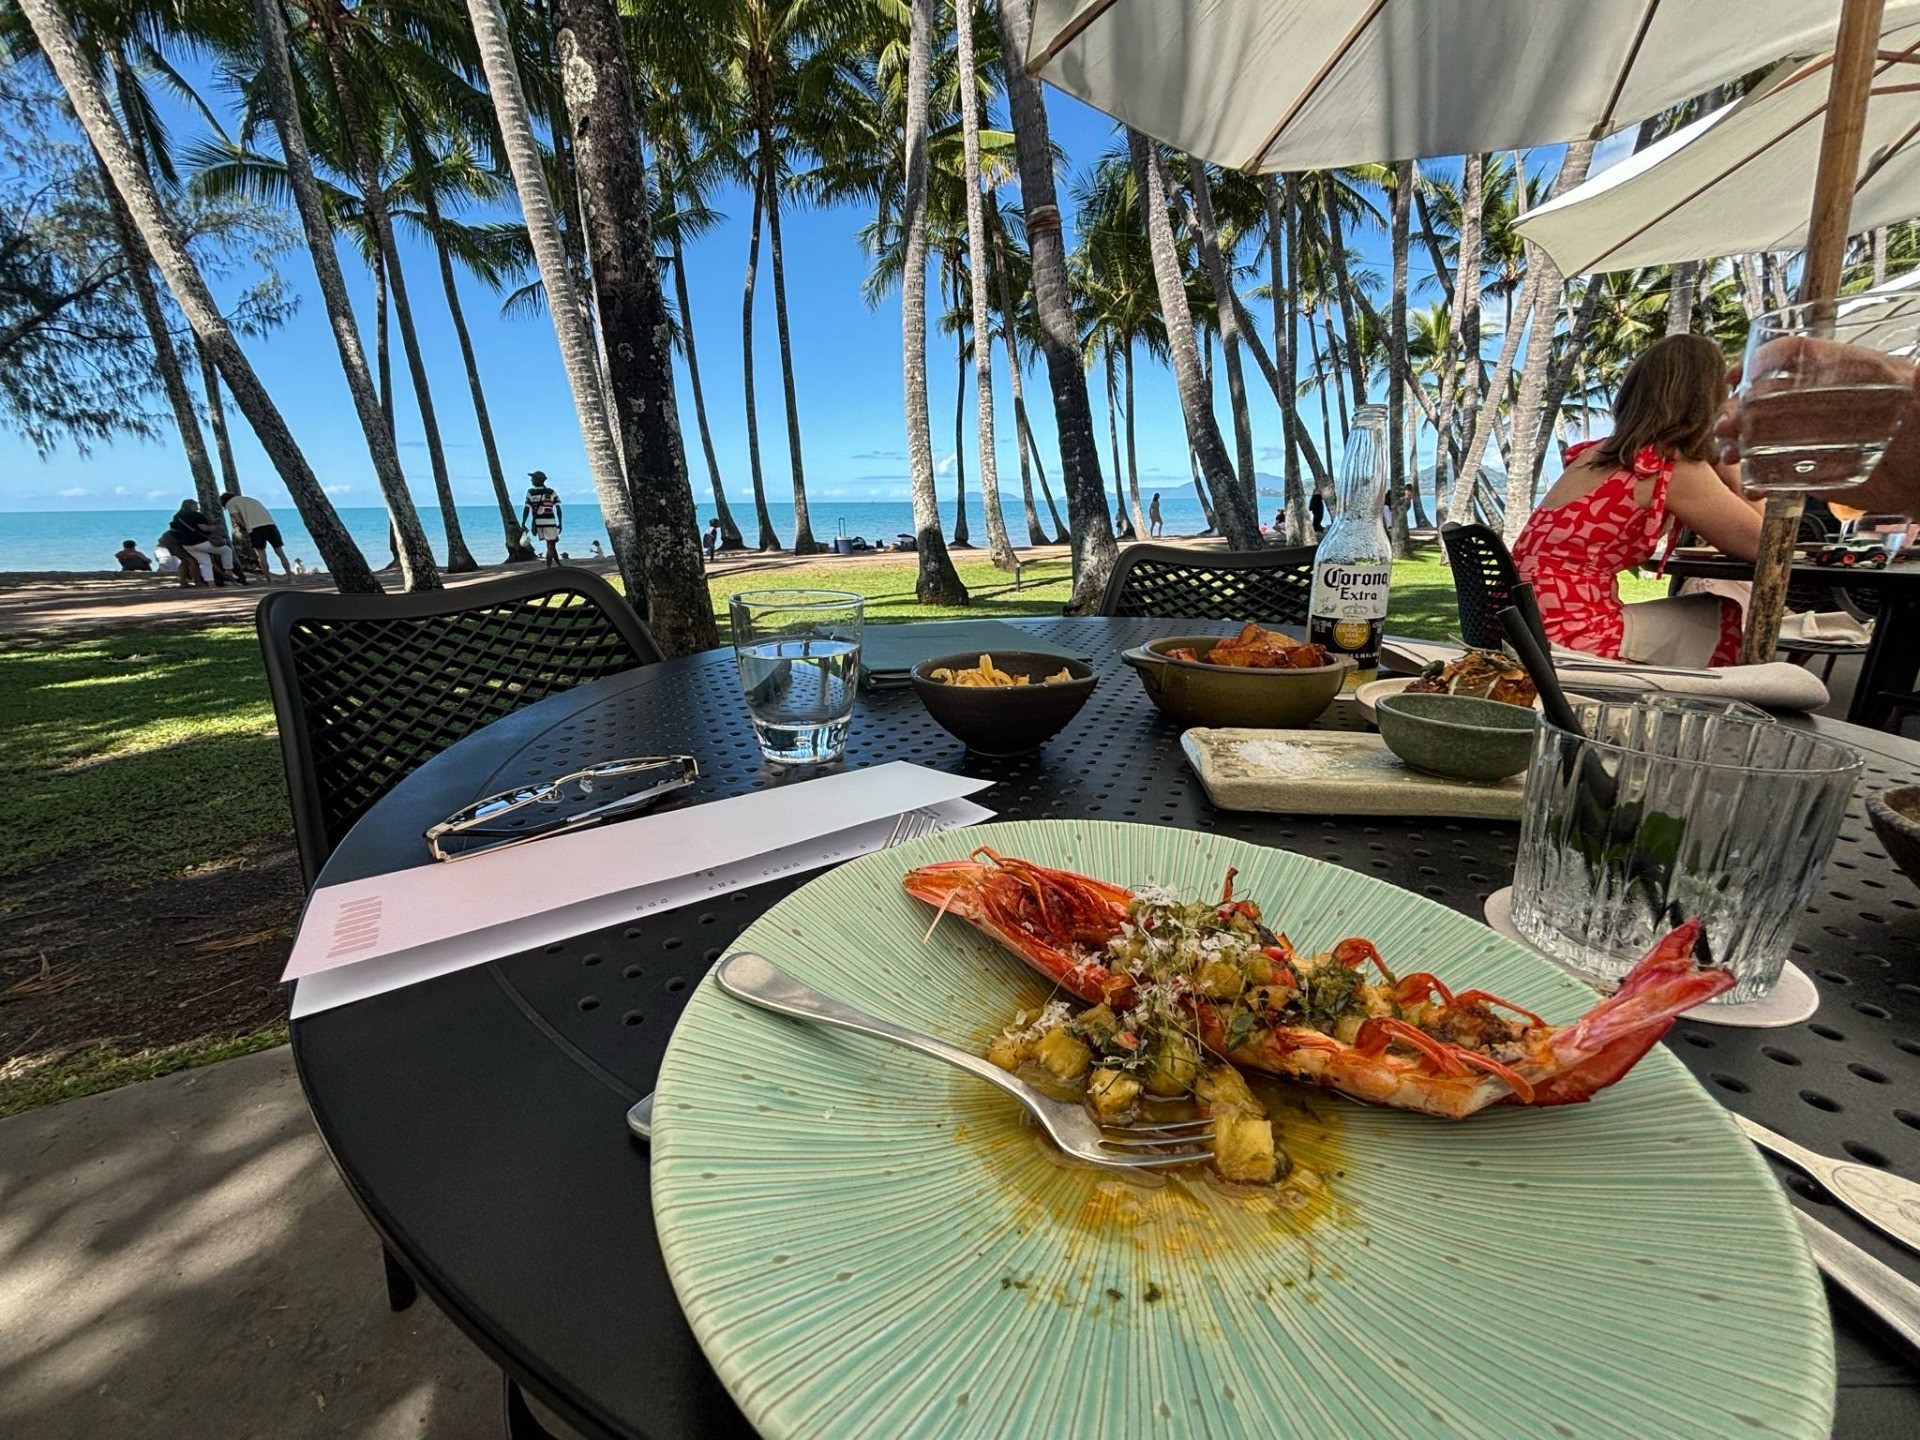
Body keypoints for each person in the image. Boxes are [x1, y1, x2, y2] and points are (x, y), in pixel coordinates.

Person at [1512, 333, 1761, 668]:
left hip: (1525, 622)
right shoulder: (1667, 465)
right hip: (1567, 634)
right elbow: (1765, 546)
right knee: (1722, 615)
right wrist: (1733, 462)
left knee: (1701, 614)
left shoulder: (1596, 454)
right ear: (1707, 402)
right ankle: (1704, 710)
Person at [164, 499, 242, 586]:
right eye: (196, 505)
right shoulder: (196, 515)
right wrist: (215, 527)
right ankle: (228, 570)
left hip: (186, 545)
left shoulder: (177, 516)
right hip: (200, 542)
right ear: (191, 506)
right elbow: (203, 528)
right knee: (226, 550)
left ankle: (211, 584)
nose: (197, 507)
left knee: (205, 563)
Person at [220, 491, 291, 579]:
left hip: (254, 529)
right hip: (270, 525)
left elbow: (237, 519)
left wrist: (244, 528)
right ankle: (290, 576)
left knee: (262, 556)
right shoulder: (251, 499)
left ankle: (268, 580)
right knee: (280, 553)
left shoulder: (230, 503)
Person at [522, 470, 563, 567]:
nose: (531, 480)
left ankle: (558, 563)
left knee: (551, 544)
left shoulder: (530, 492)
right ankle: (548, 566)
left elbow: (526, 509)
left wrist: (523, 522)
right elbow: (558, 508)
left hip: (538, 523)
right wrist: (560, 523)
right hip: (550, 523)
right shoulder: (551, 492)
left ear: (537, 480)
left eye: (533, 478)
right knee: (551, 545)